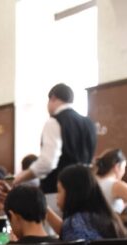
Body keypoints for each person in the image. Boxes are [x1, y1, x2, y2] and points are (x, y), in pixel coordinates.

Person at [12, 83, 97, 212]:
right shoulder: (88, 123)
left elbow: (47, 162)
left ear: (53, 98)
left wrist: (20, 178)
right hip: (86, 192)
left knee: (56, 231)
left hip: (57, 192)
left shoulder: (54, 121)